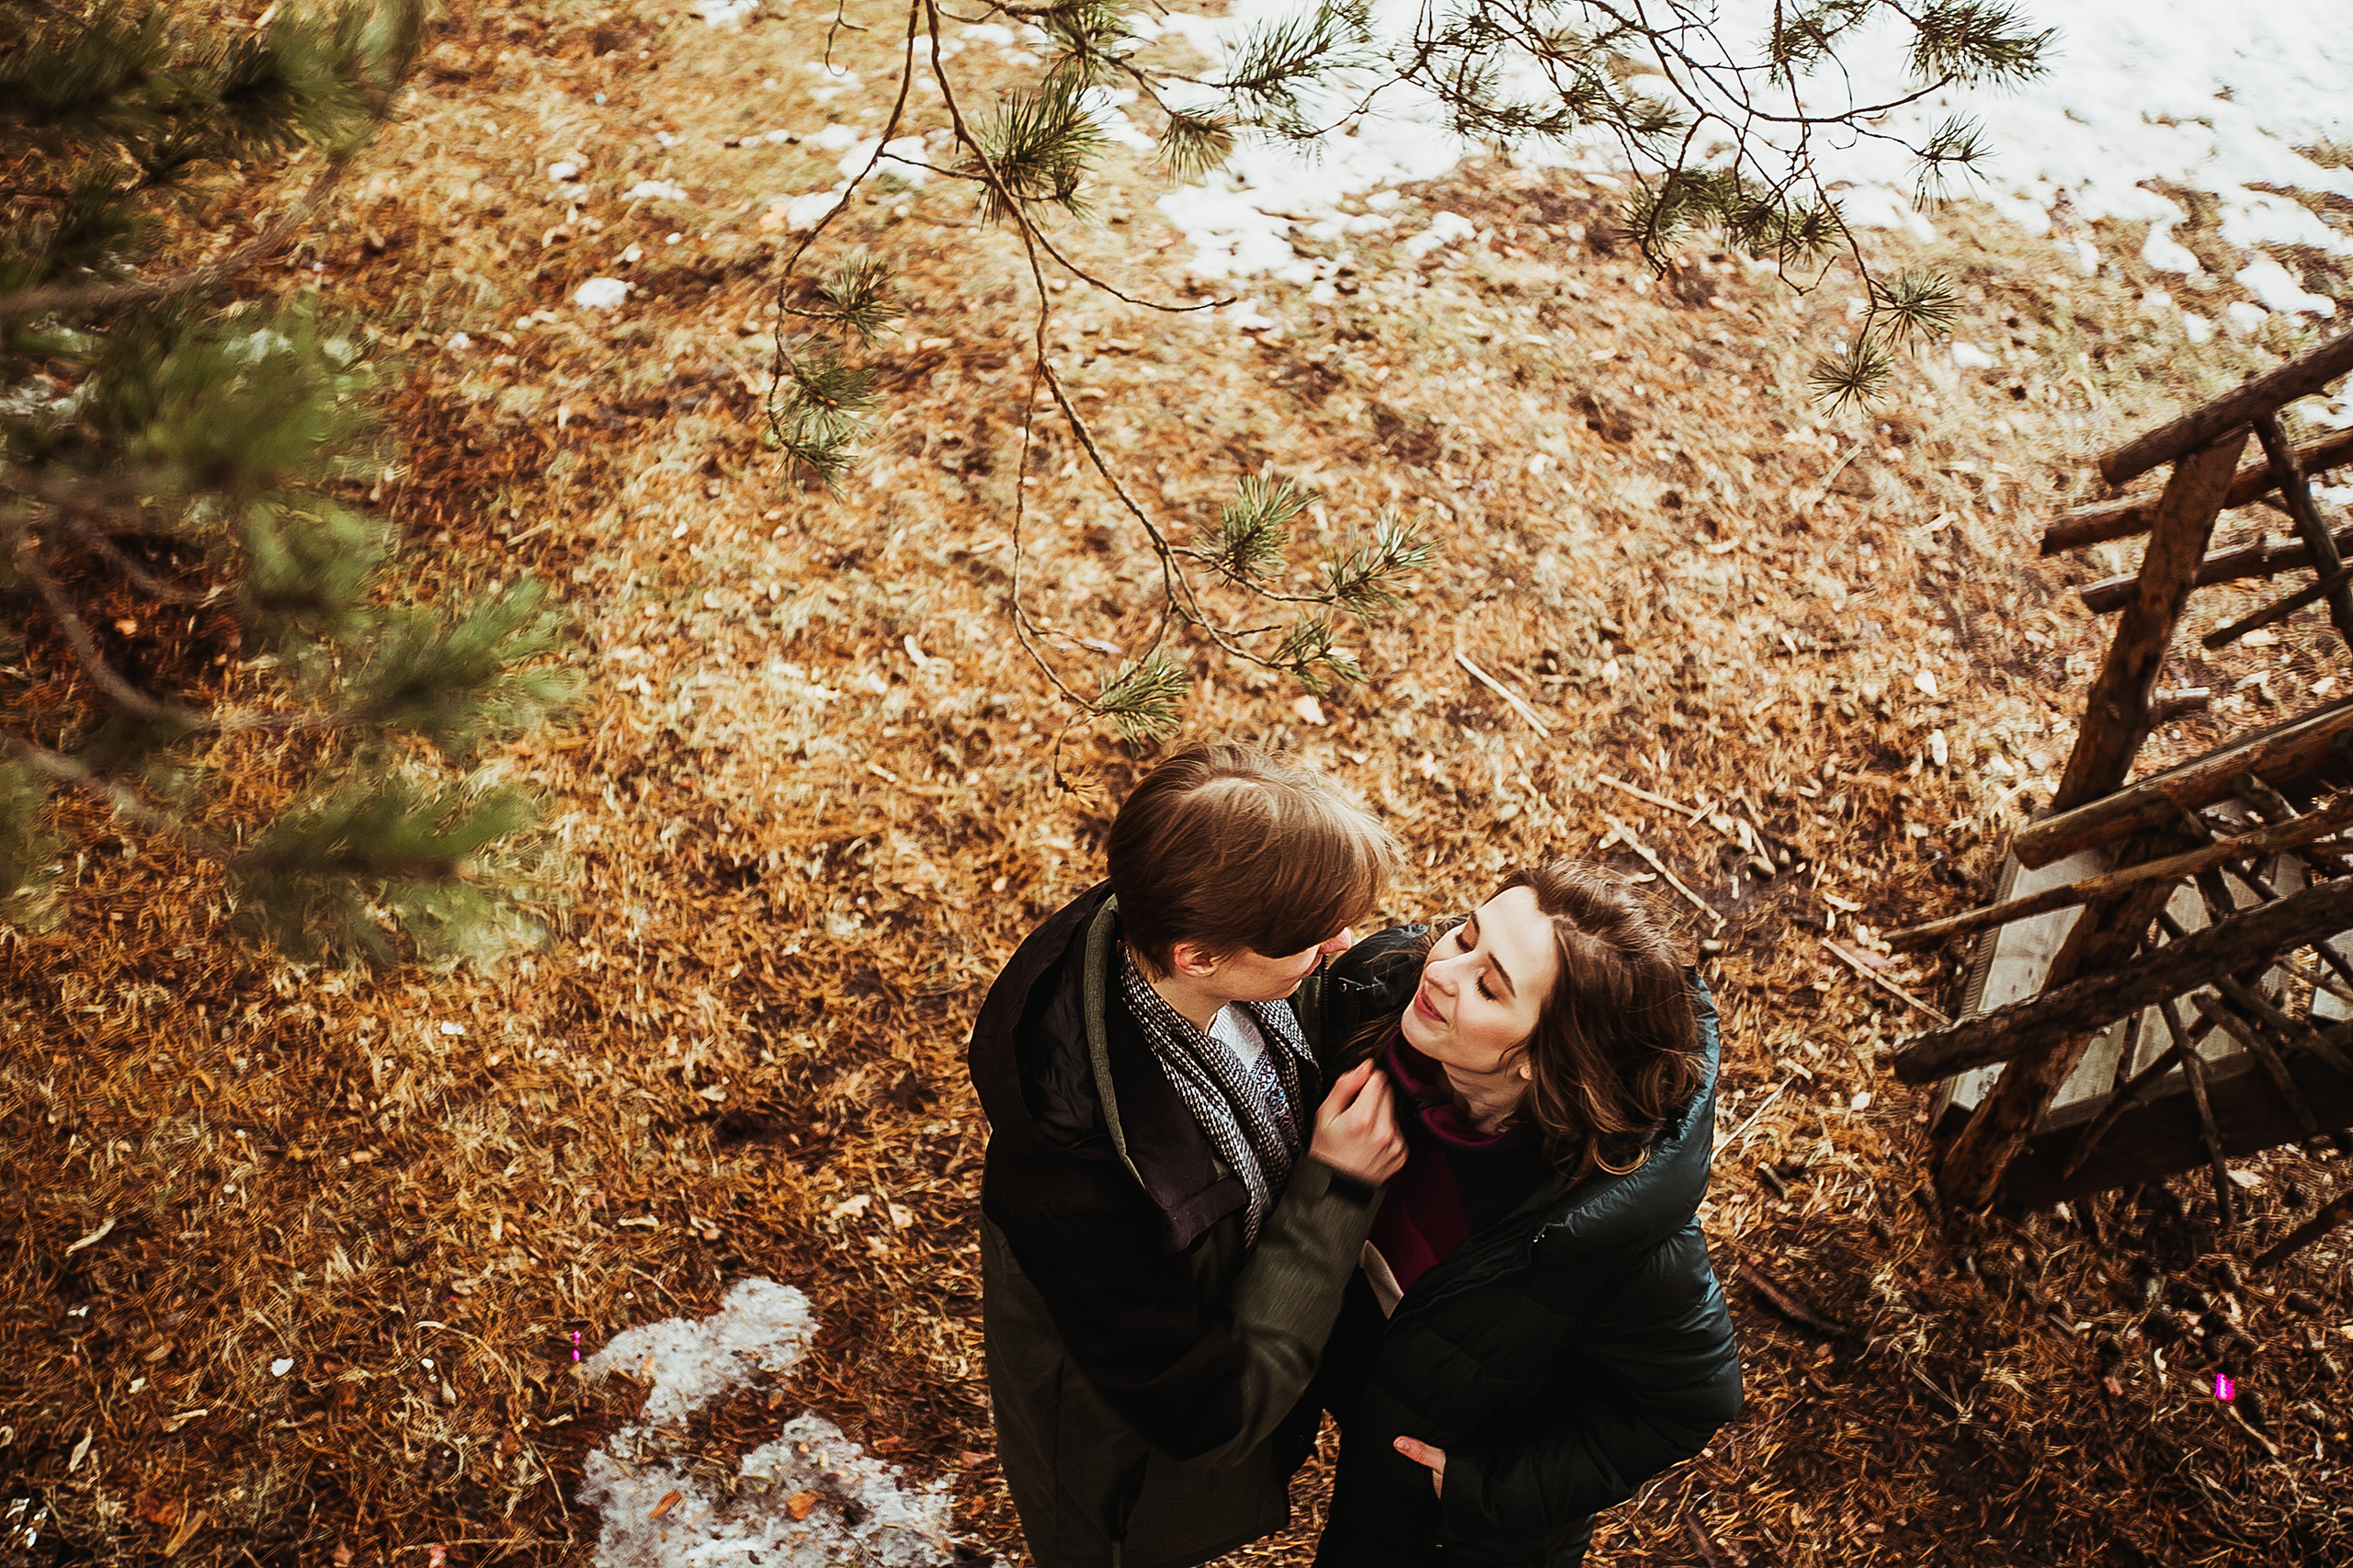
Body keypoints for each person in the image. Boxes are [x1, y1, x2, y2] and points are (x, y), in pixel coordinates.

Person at [968, 741, 1411, 1568]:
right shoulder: (1079, 1184)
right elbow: (1207, 1413)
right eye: (1310, 938)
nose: (1342, 942)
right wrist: (1337, 1190)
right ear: (1200, 957)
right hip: (1128, 1486)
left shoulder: (1191, 943)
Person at [1310, 862, 1744, 1567]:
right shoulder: (1378, 1006)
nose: (1442, 970)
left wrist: (1487, 1488)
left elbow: (1691, 1402)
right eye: (1466, 934)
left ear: (1546, 1062)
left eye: (1489, 985)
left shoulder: (1609, 1236)